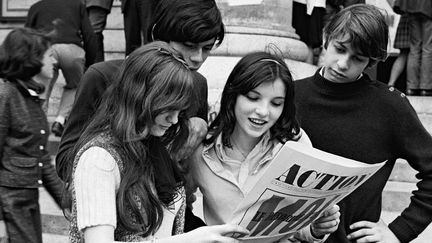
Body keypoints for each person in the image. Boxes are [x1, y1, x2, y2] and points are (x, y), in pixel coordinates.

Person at [67, 41, 249, 242]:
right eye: (169, 109)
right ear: (141, 98)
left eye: (180, 111)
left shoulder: (153, 145)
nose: (174, 120)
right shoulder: (99, 158)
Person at [294, 4, 432, 243]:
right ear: (327, 38)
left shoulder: (389, 106)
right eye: (339, 49)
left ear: (371, 61)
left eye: (357, 58)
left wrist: (401, 230)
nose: (343, 63)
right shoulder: (290, 96)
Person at [188, 51, 341, 243]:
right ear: (233, 95)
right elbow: (179, 209)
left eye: (276, 103)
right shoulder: (200, 150)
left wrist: (317, 229)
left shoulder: (295, 143)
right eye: (253, 98)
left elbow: (299, 223)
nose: (263, 112)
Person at [0, 28, 65, 243]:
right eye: (48, 55)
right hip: (9, 200)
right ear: (31, 59)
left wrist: (67, 201)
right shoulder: (5, 96)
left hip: (27, 197)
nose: (54, 60)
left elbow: (41, 158)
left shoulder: (31, 98)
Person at [25, 0, 97, 136]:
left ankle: (39, 125)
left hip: (45, 49)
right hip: (72, 50)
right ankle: (60, 120)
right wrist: (90, 63)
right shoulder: (77, 5)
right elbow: (90, 35)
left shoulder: (36, 7)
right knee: (75, 85)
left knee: (42, 89)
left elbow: (26, 37)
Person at [393, 0, 432, 96]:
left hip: (411, 8)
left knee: (414, 48)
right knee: (427, 48)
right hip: (428, 9)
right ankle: (426, 87)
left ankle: (411, 87)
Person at [387, 14, 409, 90]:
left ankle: (391, 83)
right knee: (422, 52)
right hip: (424, 17)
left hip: (406, 18)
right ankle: (417, 87)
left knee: (403, 54)